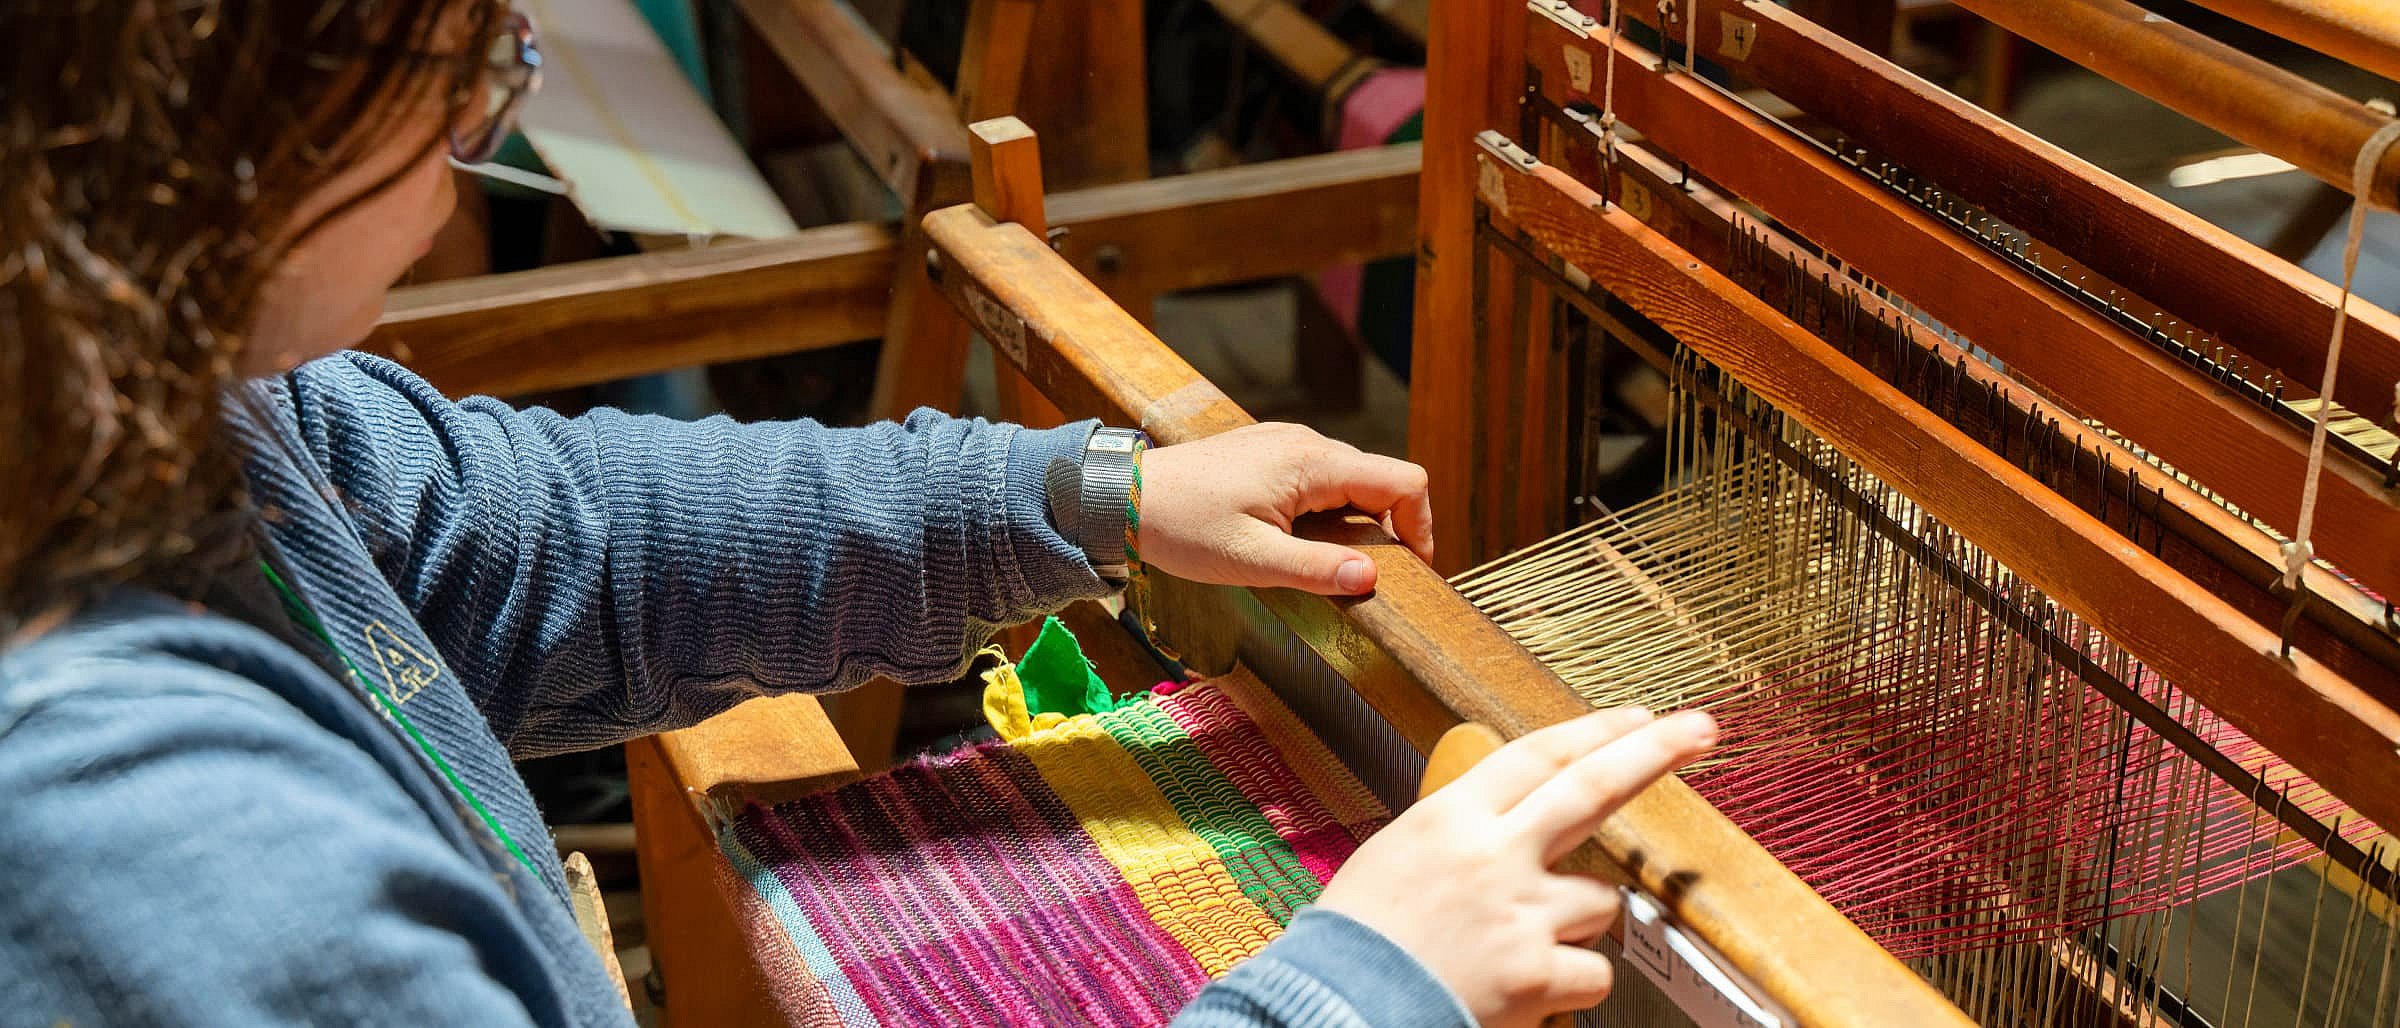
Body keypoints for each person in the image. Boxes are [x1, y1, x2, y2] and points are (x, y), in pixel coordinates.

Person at [0, 3, 1717, 1026]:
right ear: (223, 115)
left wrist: (1079, 496)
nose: (475, 132)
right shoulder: (164, 864)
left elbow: (521, 541)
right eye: (465, 65)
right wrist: (1358, 986)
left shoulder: (139, 408)